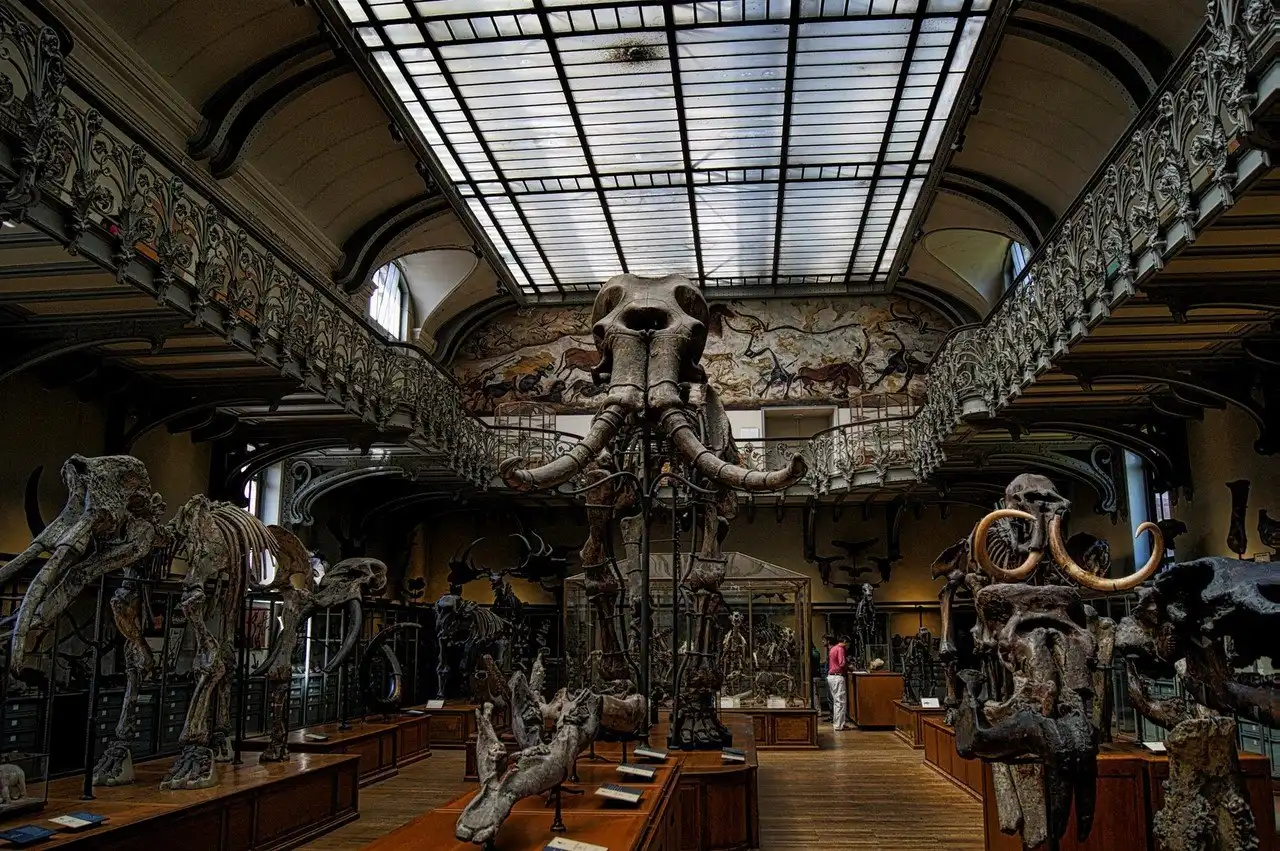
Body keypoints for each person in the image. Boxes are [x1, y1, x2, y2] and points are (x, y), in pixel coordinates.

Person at [827, 636, 850, 731]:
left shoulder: (833, 648)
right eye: (848, 644)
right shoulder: (840, 649)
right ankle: (839, 725)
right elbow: (842, 663)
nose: (848, 646)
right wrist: (849, 667)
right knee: (840, 702)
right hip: (837, 677)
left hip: (831, 676)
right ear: (845, 641)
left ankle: (838, 723)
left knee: (836, 702)